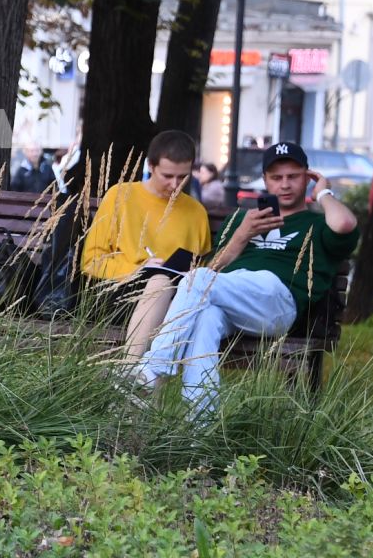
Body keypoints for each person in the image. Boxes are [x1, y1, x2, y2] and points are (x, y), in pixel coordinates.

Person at [138, 140, 360, 409]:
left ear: (308, 177)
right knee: (205, 319)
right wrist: (242, 235)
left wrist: (324, 194)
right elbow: (213, 270)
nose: (285, 184)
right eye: (277, 178)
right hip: (231, 297)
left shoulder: (317, 223)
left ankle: (150, 371)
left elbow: (345, 224)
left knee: (195, 279)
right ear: (265, 180)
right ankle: (200, 427)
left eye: (293, 176)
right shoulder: (242, 220)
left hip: (278, 301)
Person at [80, 130, 213, 357]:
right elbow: (91, 261)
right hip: (121, 292)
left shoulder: (197, 212)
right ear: (150, 166)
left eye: (183, 177)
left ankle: (133, 378)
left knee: (170, 288)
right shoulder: (120, 196)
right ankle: (130, 370)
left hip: (177, 300)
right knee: (159, 282)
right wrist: (138, 270)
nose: (175, 185)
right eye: (168, 176)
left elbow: (203, 270)